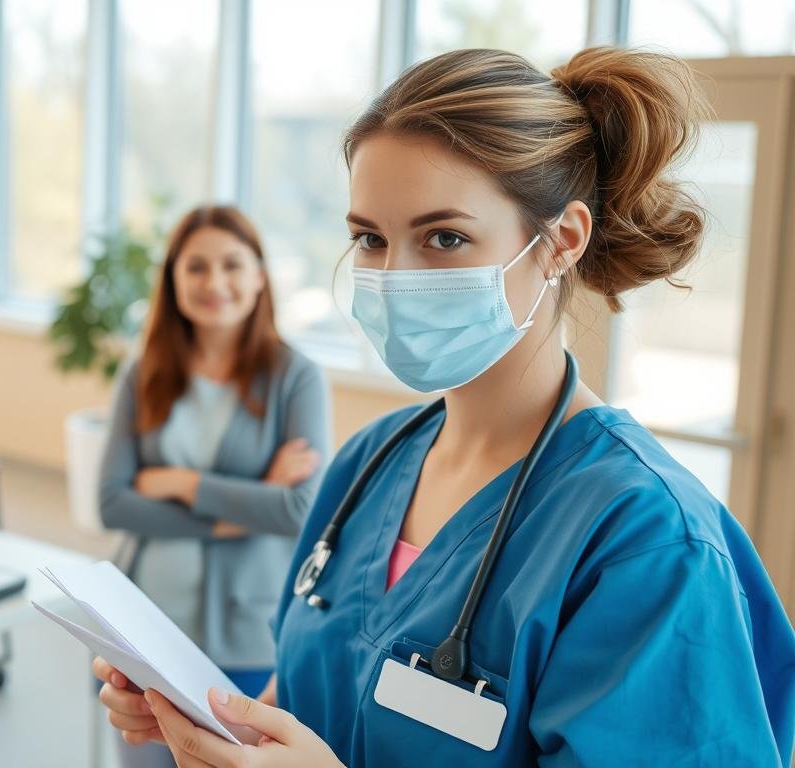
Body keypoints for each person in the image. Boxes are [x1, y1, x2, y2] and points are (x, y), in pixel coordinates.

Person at [93, 47, 795, 766]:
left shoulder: (645, 540)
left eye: (445, 238)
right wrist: (210, 718)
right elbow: (302, 705)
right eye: (369, 237)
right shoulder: (368, 466)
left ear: (561, 242)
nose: (394, 277)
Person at [97, 204, 331, 766]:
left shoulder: (296, 379)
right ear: (174, 279)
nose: (215, 282)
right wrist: (246, 506)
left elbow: (299, 509)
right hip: (147, 622)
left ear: (259, 277)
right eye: (196, 267)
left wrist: (179, 482)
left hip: (247, 633)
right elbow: (112, 502)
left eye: (232, 264)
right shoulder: (144, 371)